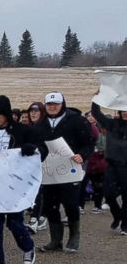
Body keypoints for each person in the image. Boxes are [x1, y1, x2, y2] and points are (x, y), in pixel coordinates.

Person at [0, 95, 41, 264]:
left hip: (15, 183)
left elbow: (41, 149)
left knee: (14, 223)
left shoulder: (22, 131)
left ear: (6, 113)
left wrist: (31, 149)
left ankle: (28, 246)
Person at [37, 92, 95, 253]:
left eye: (56, 104)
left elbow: (89, 142)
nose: (53, 107)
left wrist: (82, 155)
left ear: (62, 104)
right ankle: (55, 240)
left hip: (70, 170)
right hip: (49, 172)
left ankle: (74, 236)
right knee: (50, 206)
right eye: (49, 104)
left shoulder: (76, 121)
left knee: (70, 204)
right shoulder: (41, 123)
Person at [91, 97, 127, 233]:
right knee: (109, 194)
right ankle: (117, 216)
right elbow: (96, 113)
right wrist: (97, 98)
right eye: (123, 110)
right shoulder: (111, 123)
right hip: (112, 164)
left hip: (126, 165)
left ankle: (125, 224)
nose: (125, 113)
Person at [26, 102, 48, 231]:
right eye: (31, 110)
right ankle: (39, 216)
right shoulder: (29, 128)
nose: (33, 113)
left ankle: (36, 218)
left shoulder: (46, 128)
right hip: (31, 165)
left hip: (46, 164)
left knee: (41, 191)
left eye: (36, 110)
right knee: (36, 191)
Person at [81, 111, 105, 213]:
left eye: (92, 116)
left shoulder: (101, 128)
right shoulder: (83, 128)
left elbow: (103, 145)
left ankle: (97, 205)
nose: (90, 118)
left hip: (97, 161)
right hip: (86, 161)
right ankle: (80, 206)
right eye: (88, 116)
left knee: (97, 185)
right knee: (82, 184)